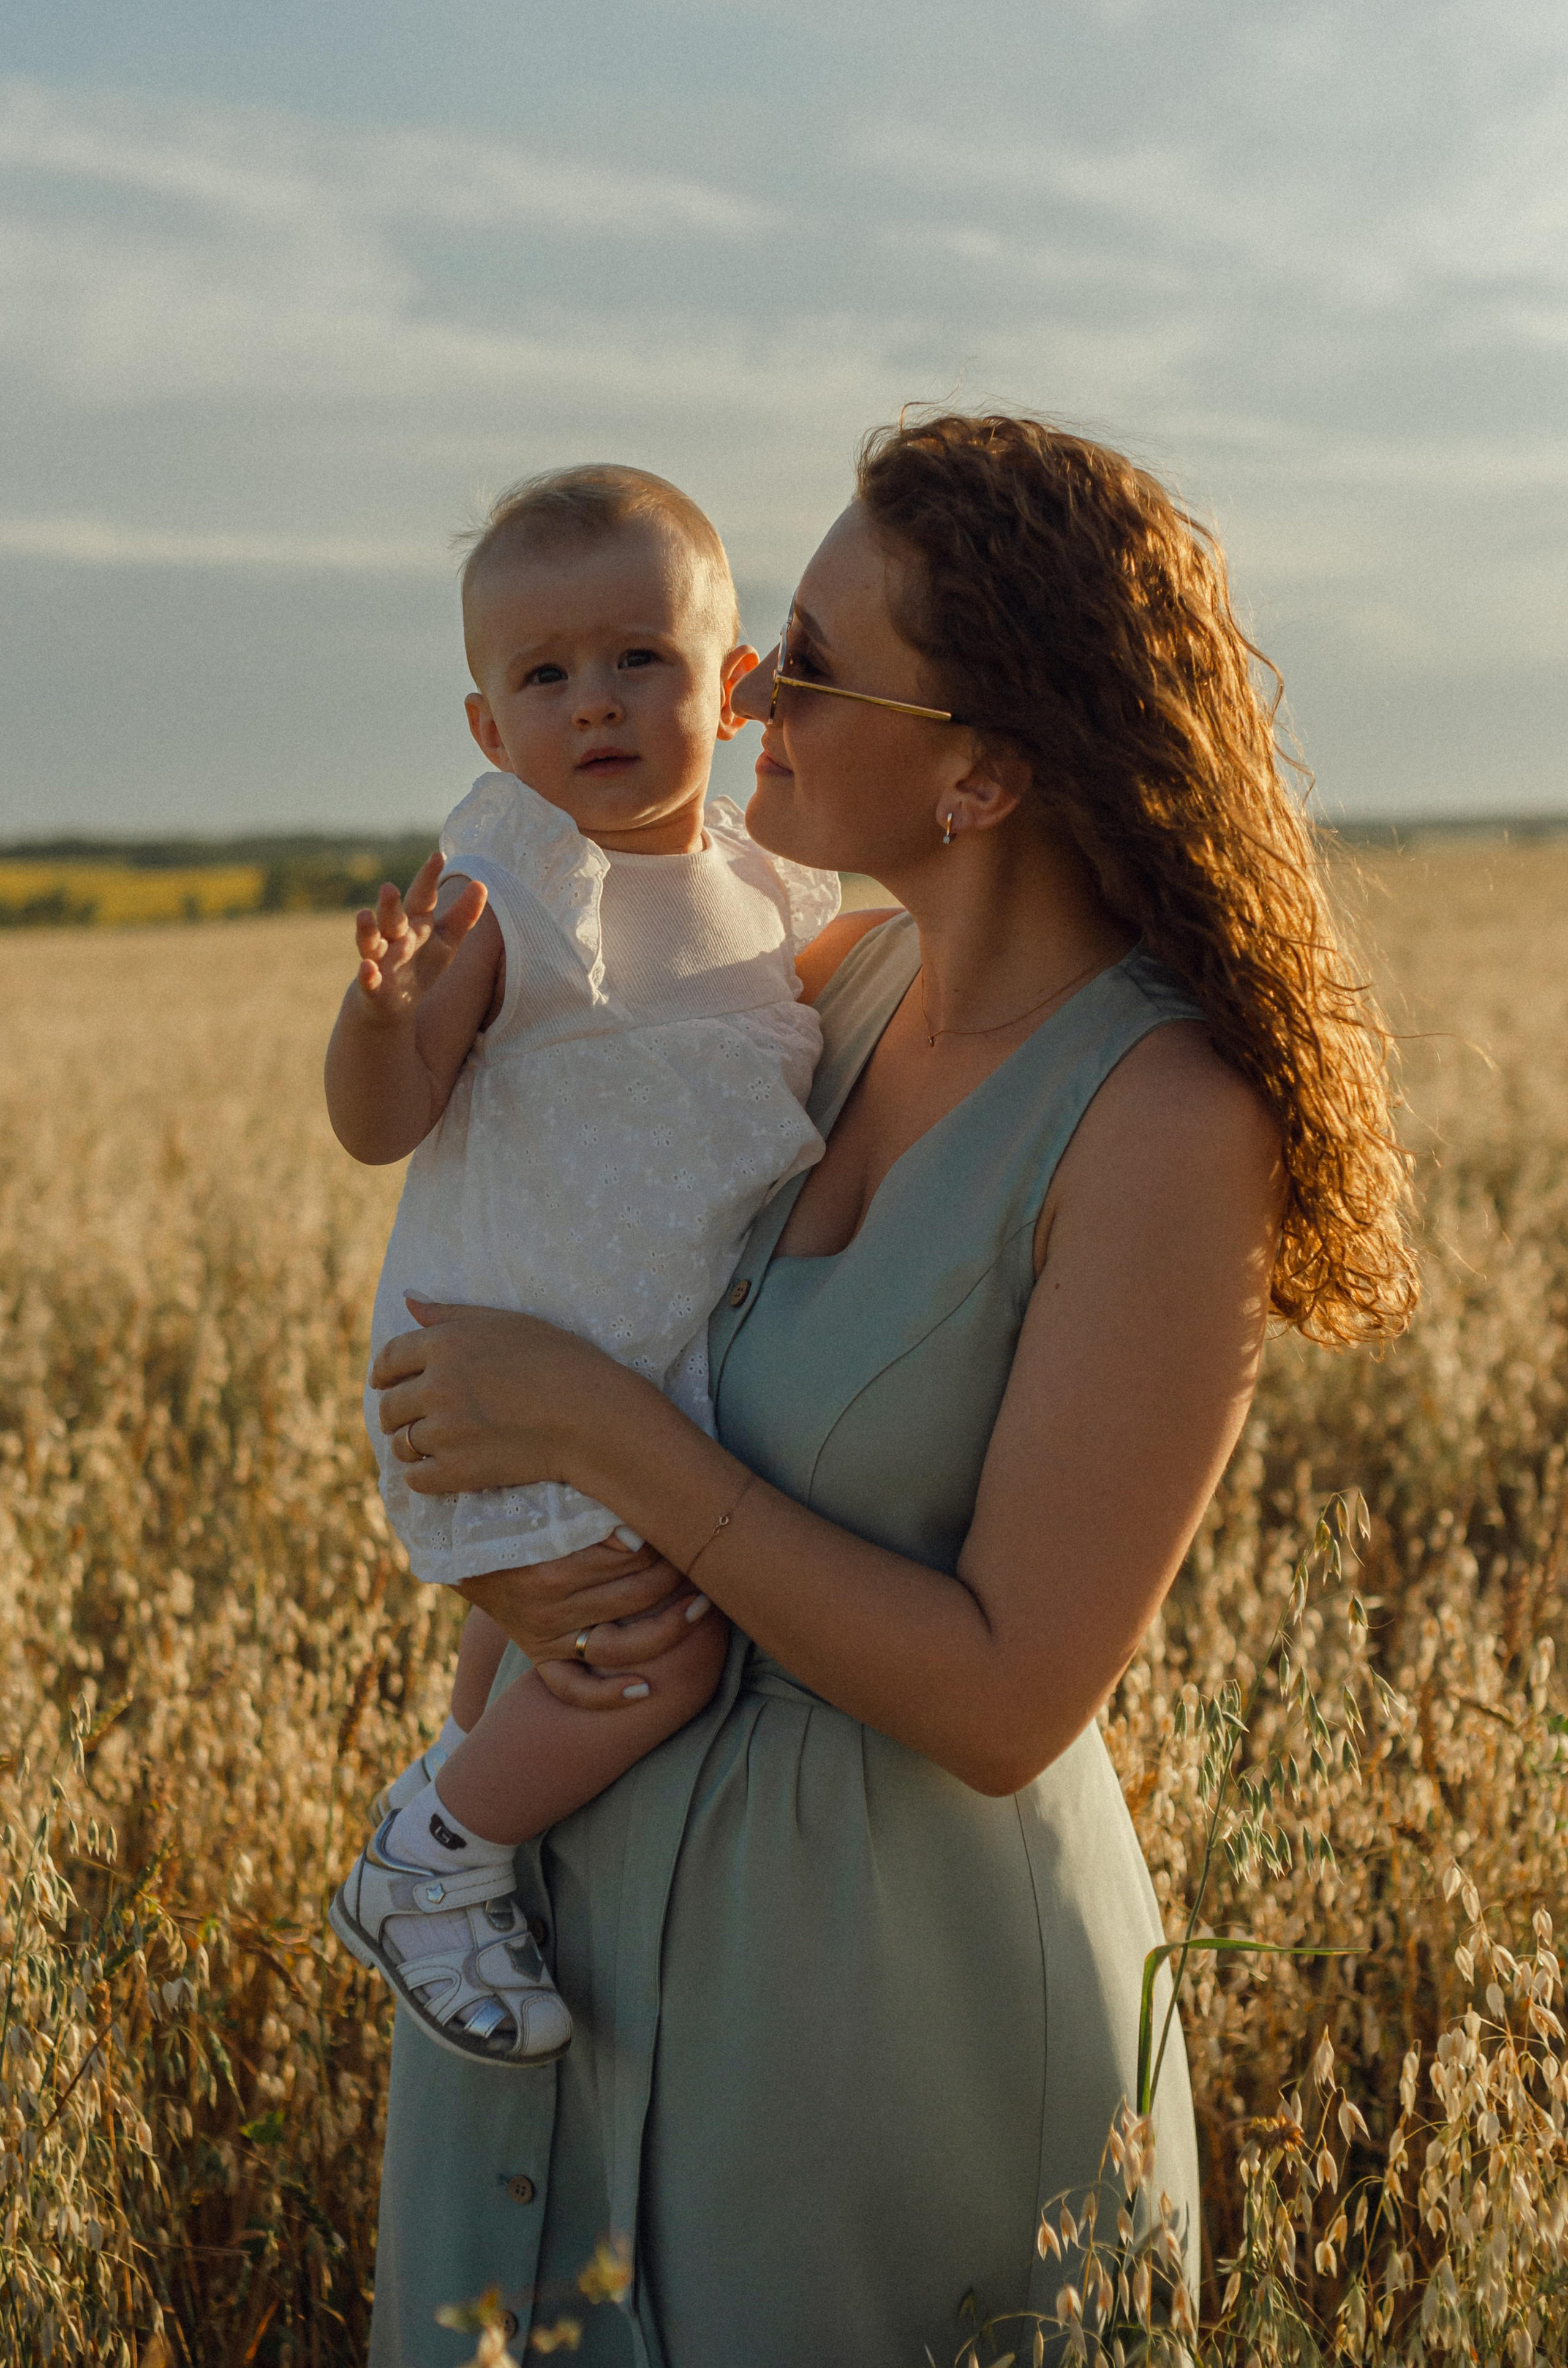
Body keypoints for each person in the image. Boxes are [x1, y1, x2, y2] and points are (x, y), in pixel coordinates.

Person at [363, 412, 1416, 2368]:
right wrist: (504, 1586)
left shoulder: (1166, 1120)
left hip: (871, 2040)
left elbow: (1013, 1697)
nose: (748, 689)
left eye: (814, 661)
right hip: (572, 1970)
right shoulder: (815, 996)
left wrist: (598, 1435)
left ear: (981, 771)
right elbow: (554, 1266)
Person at [324, 464, 840, 2068]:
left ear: (734, 686)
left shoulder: (770, 889)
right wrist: (381, 1021)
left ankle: (475, 1792)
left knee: (551, 1642)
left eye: (639, 659)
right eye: (544, 678)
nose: (595, 703)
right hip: (509, 1369)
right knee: (658, 1659)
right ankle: (432, 1857)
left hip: (642, 1368)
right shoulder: (517, 897)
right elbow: (383, 1124)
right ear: (491, 731)